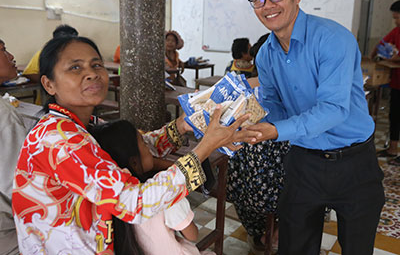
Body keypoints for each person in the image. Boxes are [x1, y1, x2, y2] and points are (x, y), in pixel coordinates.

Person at [12, 35, 250, 254]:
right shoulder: (59, 139)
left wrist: (185, 124)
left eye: (96, 65)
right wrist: (205, 147)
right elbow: (135, 203)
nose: (92, 74)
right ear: (49, 84)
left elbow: (136, 145)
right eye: (75, 67)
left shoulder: (81, 123)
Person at [243, 0, 385, 255]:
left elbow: (333, 109)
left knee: (357, 247)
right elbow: (273, 103)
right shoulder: (266, 55)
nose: (267, 4)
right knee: (294, 246)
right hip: (303, 161)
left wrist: (274, 130)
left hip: (354, 161)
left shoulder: (332, 39)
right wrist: (249, 117)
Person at [91, 120, 215, 255]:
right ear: (134, 161)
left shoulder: (105, 197)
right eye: (144, 143)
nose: (149, 147)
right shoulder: (163, 194)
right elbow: (192, 235)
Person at [226, 34, 288, 255]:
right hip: (271, 187)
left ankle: (260, 232)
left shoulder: (242, 87)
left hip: (244, 186)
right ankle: (277, 230)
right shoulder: (289, 91)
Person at [0, 39, 27, 255]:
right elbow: (17, 186)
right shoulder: (4, 116)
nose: (10, 56)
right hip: (7, 234)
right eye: (2, 50)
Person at [372, 0, 400, 165]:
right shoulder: (396, 31)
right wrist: (372, 56)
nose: (395, 21)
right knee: (394, 116)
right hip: (396, 83)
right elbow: (381, 44)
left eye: (397, 17)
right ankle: (392, 149)